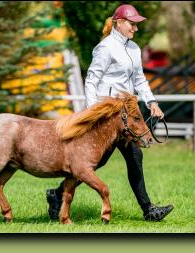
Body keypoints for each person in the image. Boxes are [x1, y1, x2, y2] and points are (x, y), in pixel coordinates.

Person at [46, 4, 174, 222]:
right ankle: (57, 195)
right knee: (98, 161)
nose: (135, 28)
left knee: (135, 156)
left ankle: (148, 209)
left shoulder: (134, 49)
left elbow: (139, 79)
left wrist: (152, 101)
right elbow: (92, 79)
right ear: (119, 23)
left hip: (125, 115)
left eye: (136, 24)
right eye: (132, 24)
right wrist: (92, 112)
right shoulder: (105, 47)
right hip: (105, 115)